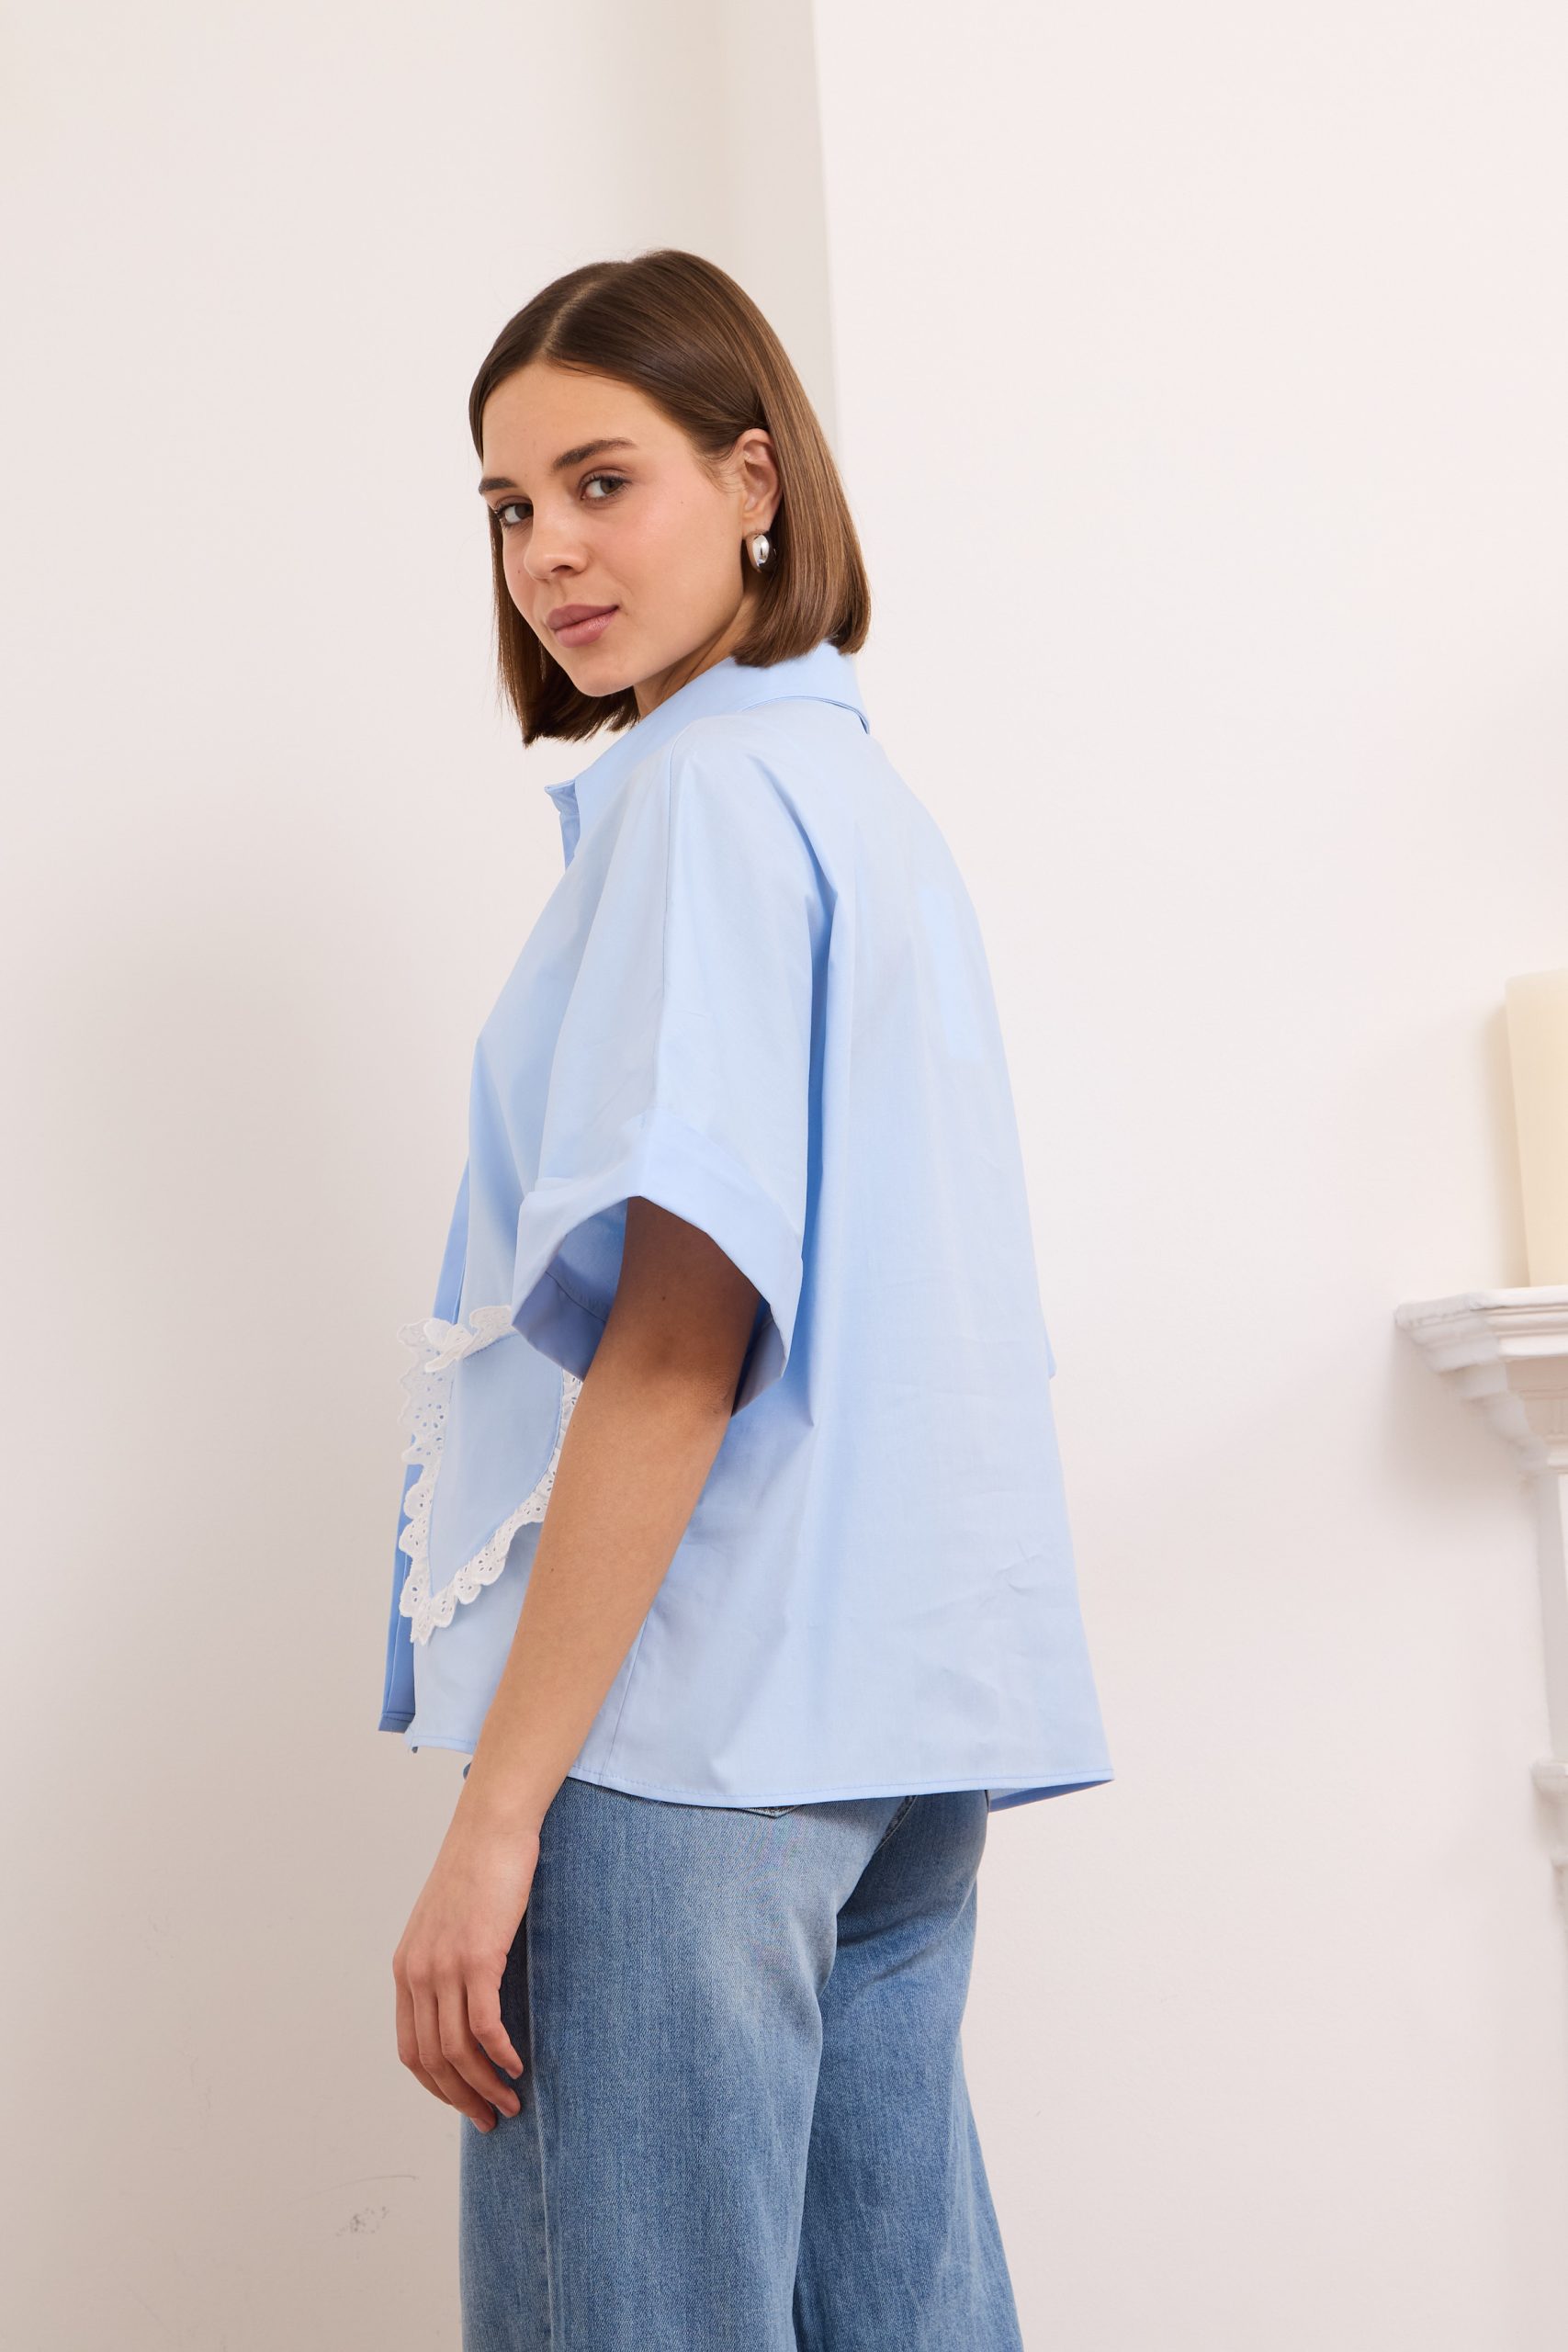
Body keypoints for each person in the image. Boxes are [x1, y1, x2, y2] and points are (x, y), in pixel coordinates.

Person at [377, 248, 1114, 2351]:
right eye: (509, 507)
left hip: (688, 1741)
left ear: (752, 479)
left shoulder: (703, 801)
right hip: (887, 1740)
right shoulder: (858, 803)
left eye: (600, 481)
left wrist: (497, 1814)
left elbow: (678, 1338)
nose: (547, 551)